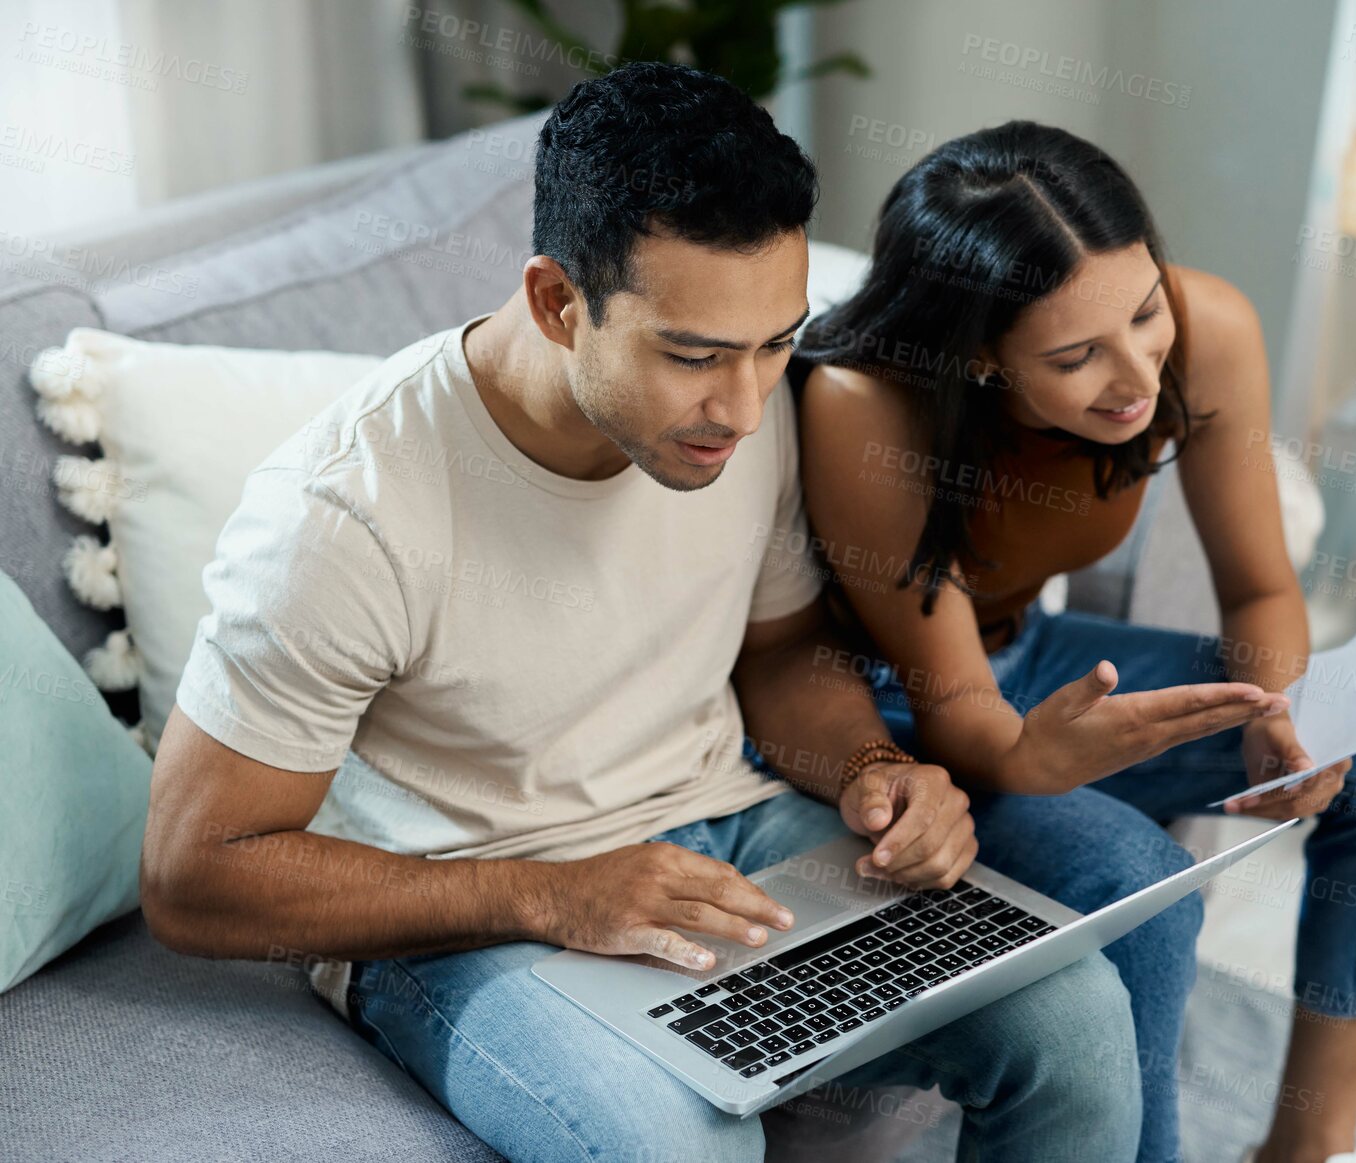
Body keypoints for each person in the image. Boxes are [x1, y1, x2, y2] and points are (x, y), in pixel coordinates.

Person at [139, 66, 1149, 1163]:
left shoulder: (746, 407)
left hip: (732, 823)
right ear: (557, 302)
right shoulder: (346, 513)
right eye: (693, 356)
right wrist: (551, 893)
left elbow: (779, 650)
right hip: (460, 906)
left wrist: (868, 764)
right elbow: (193, 874)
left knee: (1075, 1020)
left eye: (775, 343)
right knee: (673, 1144)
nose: (748, 404)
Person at [794, 120, 1356, 1163]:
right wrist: (1031, 758)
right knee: (1136, 876)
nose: (1137, 372)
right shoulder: (863, 406)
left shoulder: (1206, 330)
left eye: (1144, 311)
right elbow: (959, 708)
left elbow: (1257, 588)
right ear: (977, 356)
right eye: (1075, 356)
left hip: (1035, 658)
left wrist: (1284, 718)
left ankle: (1309, 1148)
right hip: (891, 715)